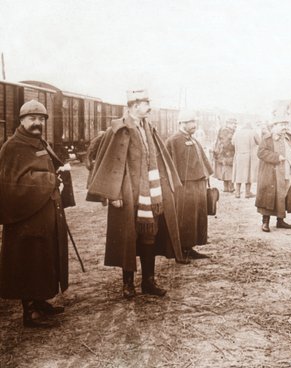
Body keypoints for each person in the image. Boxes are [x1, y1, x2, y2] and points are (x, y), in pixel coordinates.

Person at [87, 90, 187, 300]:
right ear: (134, 105)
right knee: (128, 237)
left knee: (149, 233)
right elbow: (110, 161)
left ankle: (148, 282)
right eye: (145, 103)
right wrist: (113, 193)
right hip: (127, 191)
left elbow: (157, 158)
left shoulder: (147, 127)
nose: (149, 106)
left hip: (149, 191)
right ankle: (128, 284)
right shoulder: (120, 129)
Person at [0, 100, 69, 328]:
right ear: (21, 120)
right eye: (32, 118)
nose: (37, 122)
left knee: (43, 257)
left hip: (43, 214)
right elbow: (13, 185)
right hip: (25, 219)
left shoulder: (38, 142)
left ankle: (40, 301)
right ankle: (29, 312)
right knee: (28, 259)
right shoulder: (13, 147)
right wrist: (50, 180)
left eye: (41, 119)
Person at [166, 110, 213, 259]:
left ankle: (190, 247)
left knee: (196, 218)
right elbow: (168, 165)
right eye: (190, 122)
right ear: (181, 123)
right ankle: (181, 250)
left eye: (194, 122)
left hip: (197, 184)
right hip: (184, 187)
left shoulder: (192, 139)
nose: (194, 125)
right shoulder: (173, 141)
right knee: (185, 218)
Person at [255, 119, 291, 232]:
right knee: (269, 196)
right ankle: (265, 222)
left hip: (287, 171)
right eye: (281, 125)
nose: (284, 127)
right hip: (271, 173)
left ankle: (280, 221)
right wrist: (276, 157)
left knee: (284, 194)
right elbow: (261, 152)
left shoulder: (289, 137)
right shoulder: (267, 138)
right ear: (274, 125)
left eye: (286, 124)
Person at [232, 121, 260, 198]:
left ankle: (237, 192)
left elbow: (232, 142)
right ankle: (247, 193)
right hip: (249, 156)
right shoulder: (253, 132)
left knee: (239, 174)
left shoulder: (237, 133)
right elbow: (259, 142)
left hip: (239, 156)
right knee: (248, 174)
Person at [213, 118, 237, 192]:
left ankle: (226, 188)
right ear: (228, 124)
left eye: (235, 124)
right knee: (229, 170)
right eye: (233, 124)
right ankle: (230, 187)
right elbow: (226, 143)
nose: (235, 125)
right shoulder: (226, 131)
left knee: (226, 170)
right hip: (227, 153)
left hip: (225, 153)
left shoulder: (225, 130)